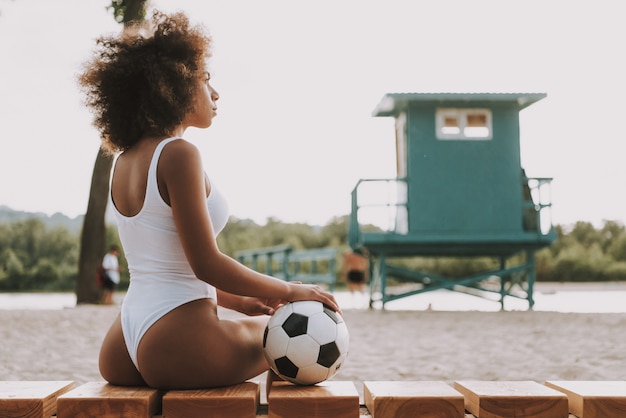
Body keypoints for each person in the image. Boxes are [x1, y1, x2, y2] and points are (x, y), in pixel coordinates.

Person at [78, 10, 340, 390]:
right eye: (205, 80)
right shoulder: (179, 154)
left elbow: (170, 266)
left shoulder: (125, 160)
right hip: (178, 341)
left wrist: (243, 301)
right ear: (174, 86)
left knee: (272, 328)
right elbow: (205, 264)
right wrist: (289, 290)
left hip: (124, 342)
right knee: (286, 335)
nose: (215, 93)